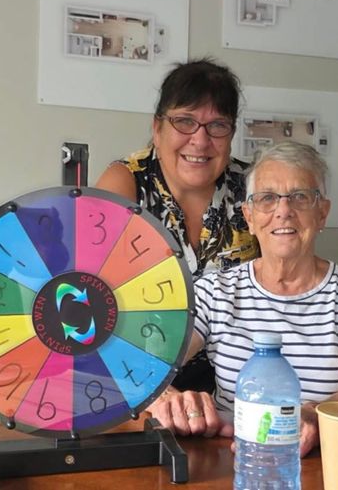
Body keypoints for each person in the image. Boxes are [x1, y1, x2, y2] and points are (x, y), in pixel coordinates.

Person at [148, 141, 338, 456]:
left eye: (300, 197)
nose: (283, 211)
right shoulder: (215, 292)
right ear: (248, 217)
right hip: (231, 460)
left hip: (320, 461)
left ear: (322, 213)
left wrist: (312, 415)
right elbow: (142, 366)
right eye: (267, 199)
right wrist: (166, 399)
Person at [96, 58, 258, 392]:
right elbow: (92, 295)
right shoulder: (125, 182)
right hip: (135, 377)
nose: (200, 141)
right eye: (185, 122)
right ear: (157, 129)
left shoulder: (254, 188)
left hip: (238, 382)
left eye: (217, 126)